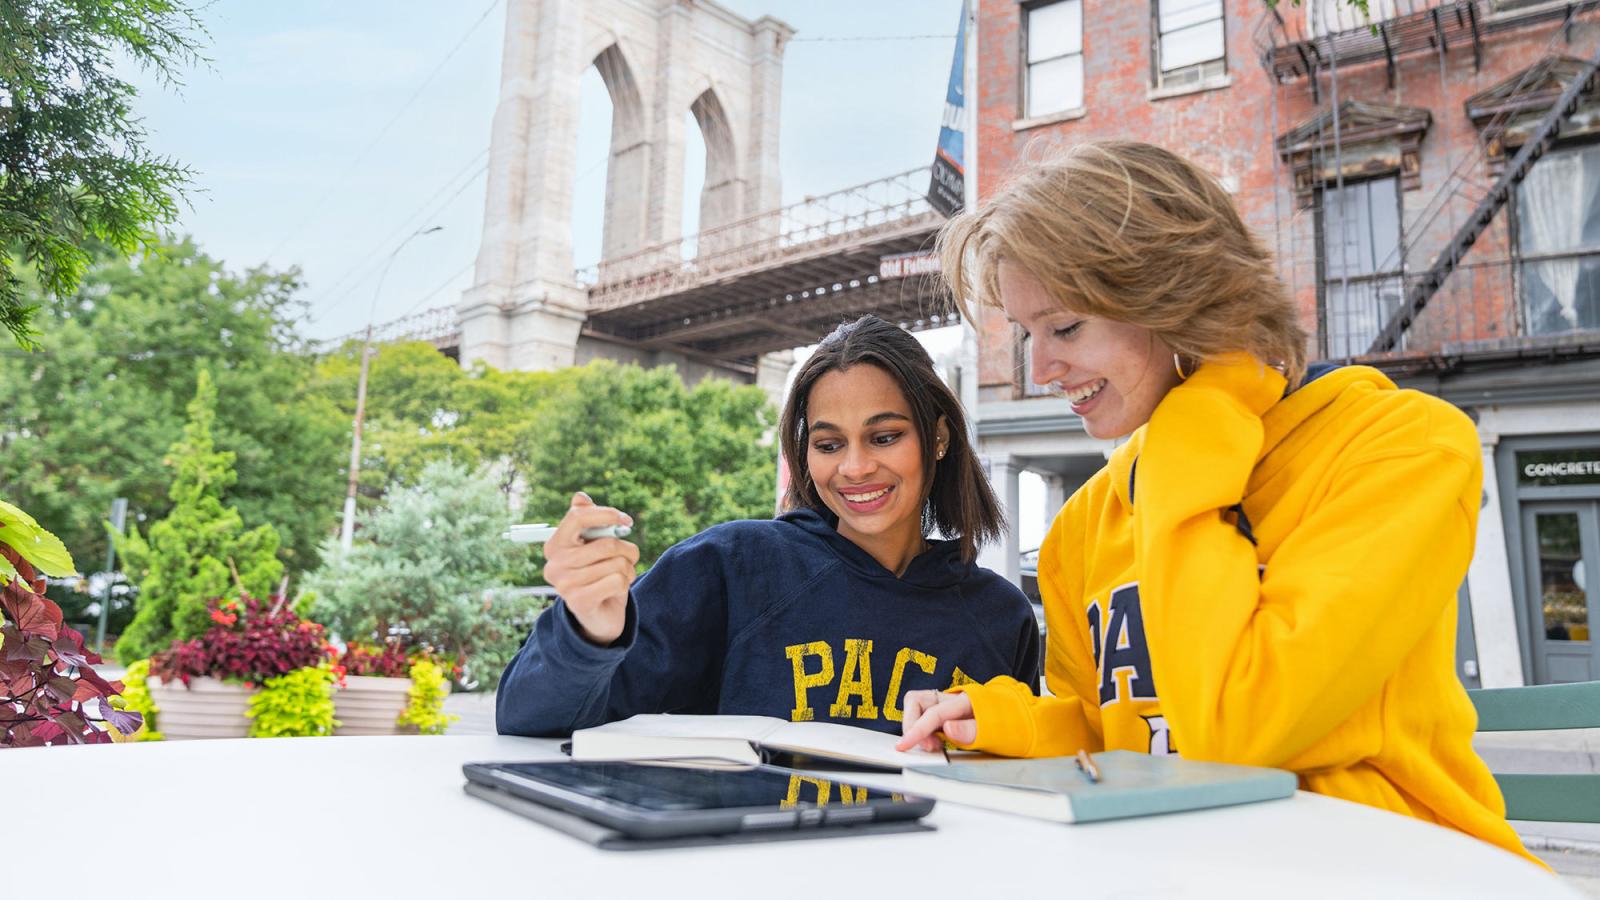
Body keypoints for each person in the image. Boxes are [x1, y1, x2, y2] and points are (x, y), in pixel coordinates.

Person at [898, 141, 1536, 863]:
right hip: (1198, 862)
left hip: (1405, 867)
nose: (1039, 368)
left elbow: (1240, 733)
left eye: (1066, 326)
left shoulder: (1401, 447)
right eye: (1027, 334)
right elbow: (1117, 736)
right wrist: (1004, 723)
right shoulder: (1085, 523)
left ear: (1175, 299)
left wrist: (1192, 429)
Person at [496, 314, 1041, 738]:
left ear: (939, 438)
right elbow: (530, 718)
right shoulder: (731, 567)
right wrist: (591, 629)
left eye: (884, 437)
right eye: (828, 445)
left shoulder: (1002, 616)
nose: (853, 468)